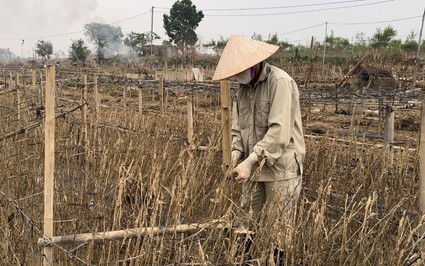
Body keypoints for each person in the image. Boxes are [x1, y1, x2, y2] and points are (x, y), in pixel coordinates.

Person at [212, 35, 305, 263]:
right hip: (251, 168)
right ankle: (245, 260)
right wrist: (236, 156)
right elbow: (237, 127)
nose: (238, 75)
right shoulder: (243, 90)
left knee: (278, 228)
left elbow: (279, 131)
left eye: (241, 69)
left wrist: (250, 160)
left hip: (280, 169)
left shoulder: (280, 82)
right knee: (246, 221)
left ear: (255, 63)